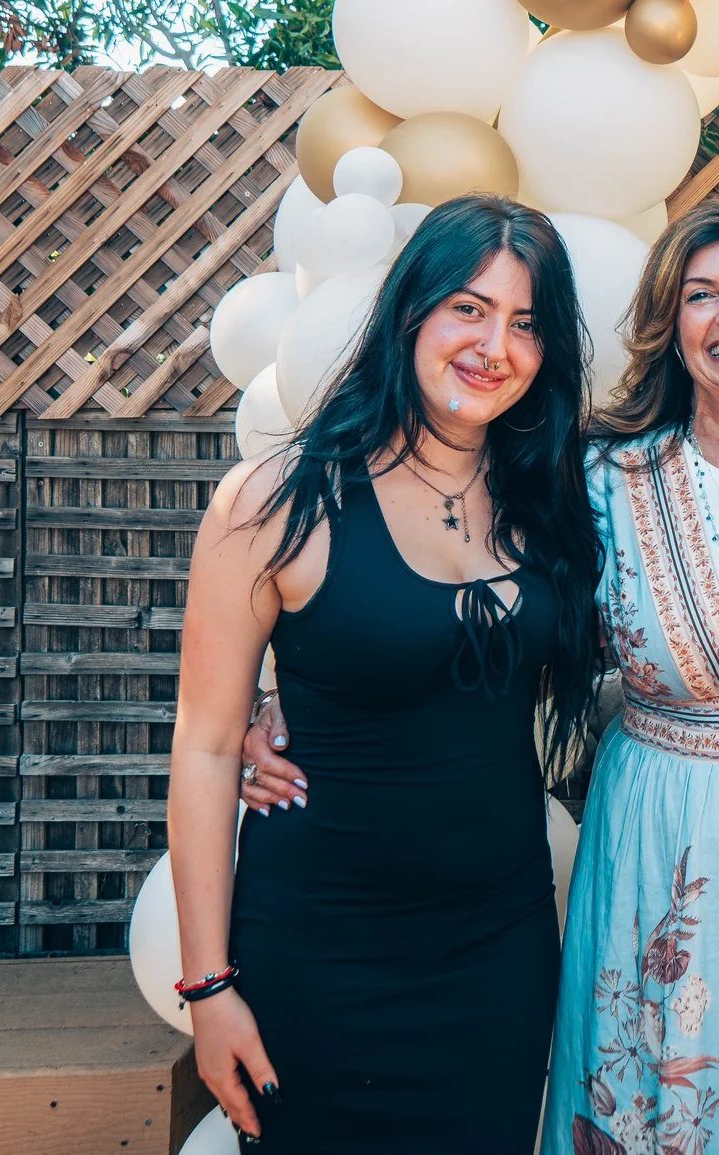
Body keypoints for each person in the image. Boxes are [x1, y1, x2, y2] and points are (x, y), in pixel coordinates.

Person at [242, 201, 719, 1155]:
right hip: (668, 848)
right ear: (668, 325)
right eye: (701, 295)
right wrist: (283, 700)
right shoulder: (601, 482)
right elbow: (473, 614)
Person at [172, 197, 607, 1153]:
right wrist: (208, 988)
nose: (496, 343)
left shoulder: (557, 501)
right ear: (410, 309)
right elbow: (206, 746)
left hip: (498, 955)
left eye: (526, 322)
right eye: (469, 307)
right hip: (319, 957)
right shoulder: (274, 501)